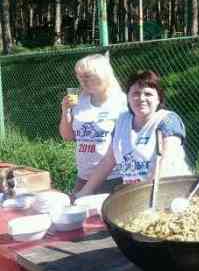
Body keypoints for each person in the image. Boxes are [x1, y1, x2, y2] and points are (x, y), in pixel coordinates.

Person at [74, 70, 192, 198]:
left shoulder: (167, 120)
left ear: (159, 99)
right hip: (135, 194)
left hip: (170, 192)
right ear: (128, 98)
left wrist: (148, 195)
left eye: (148, 94)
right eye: (135, 93)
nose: (141, 99)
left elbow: (167, 161)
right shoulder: (122, 121)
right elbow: (108, 160)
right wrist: (85, 192)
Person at [59, 53, 128, 195]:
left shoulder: (121, 102)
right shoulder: (80, 100)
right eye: (79, 76)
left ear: (103, 75)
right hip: (83, 176)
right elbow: (67, 136)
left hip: (113, 178)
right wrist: (65, 111)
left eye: (88, 76)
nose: (82, 81)